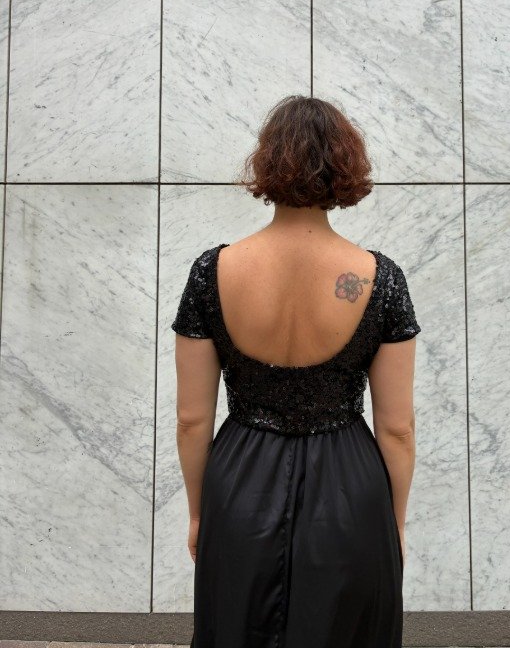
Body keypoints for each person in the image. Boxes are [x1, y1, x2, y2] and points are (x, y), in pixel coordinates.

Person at [172, 94, 421, 648]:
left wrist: (198, 513)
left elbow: (192, 421)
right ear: (345, 165)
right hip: (349, 486)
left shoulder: (212, 271)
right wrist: (393, 523)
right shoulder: (379, 279)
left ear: (268, 162)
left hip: (239, 481)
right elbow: (397, 429)